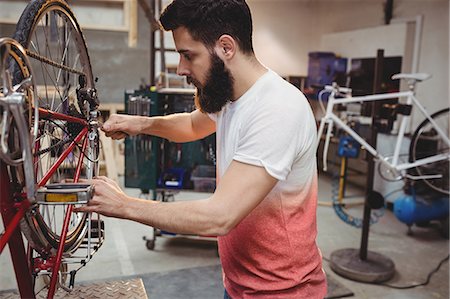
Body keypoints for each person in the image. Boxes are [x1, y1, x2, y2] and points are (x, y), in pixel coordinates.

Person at [76, 0, 327, 297]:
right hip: (239, 284)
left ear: (226, 47)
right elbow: (193, 125)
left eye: (187, 55)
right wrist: (141, 123)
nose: (182, 68)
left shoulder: (278, 108)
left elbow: (219, 216)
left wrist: (124, 204)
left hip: (283, 291)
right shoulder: (232, 96)